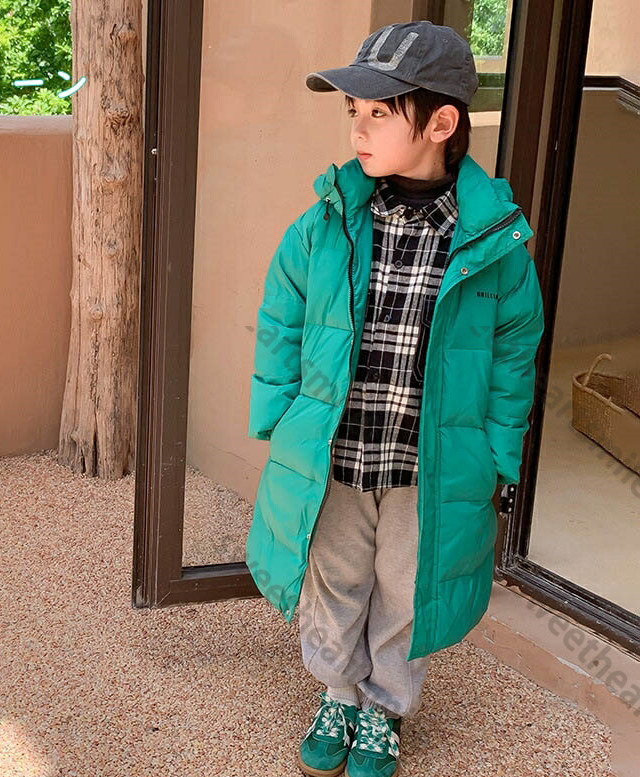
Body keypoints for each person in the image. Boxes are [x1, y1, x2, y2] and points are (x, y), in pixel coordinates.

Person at [245, 20, 545, 777]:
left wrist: (496, 453)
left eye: (379, 113)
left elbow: (514, 357)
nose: (359, 130)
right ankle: (338, 693)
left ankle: (383, 708)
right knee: (336, 578)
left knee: (407, 589)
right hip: (339, 453)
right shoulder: (328, 223)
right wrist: (281, 419)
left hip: (428, 463)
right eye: (354, 111)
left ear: (441, 123)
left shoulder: (495, 246)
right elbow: (281, 318)